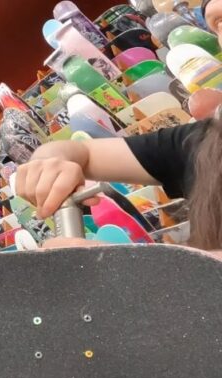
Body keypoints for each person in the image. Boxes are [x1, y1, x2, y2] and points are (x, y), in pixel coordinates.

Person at [15, 0, 222, 252]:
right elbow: (83, 152)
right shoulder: (199, 143)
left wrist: (134, 273)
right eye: (219, 23)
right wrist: (49, 163)